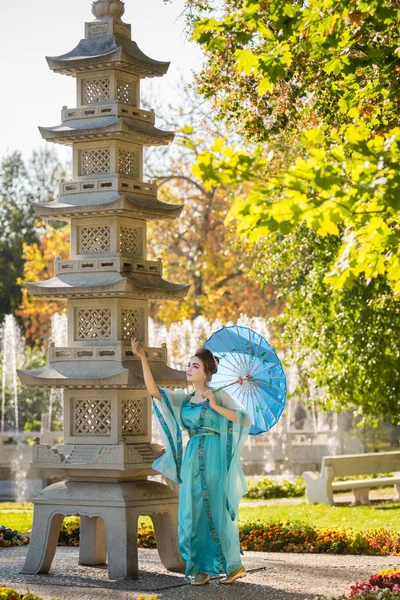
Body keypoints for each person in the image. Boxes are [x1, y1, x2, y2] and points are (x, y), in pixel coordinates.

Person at [131, 337, 251, 585]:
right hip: (192, 458)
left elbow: (243, 420)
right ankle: (201, 568)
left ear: (207, 371)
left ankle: (233, 566)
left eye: (195, 366)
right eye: (188, 365)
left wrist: (215, 406)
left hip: (215, 458)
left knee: (216, 510)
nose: (189, 369)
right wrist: (142, 358)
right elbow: (154, 392)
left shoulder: (218, 395)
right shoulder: (183, 400)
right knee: (191, 512)